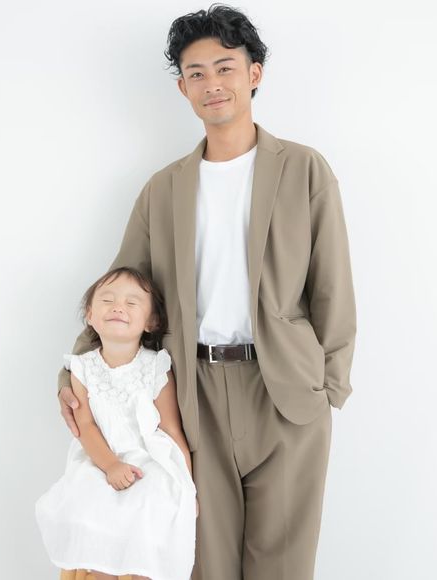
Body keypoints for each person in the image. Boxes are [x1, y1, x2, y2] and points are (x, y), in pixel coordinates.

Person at [57, 4, 356, 580]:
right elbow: (120, 290)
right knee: (201, 561)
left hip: (286, 392)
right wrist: (74, 375)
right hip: (191, 396)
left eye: (225, 67)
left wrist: (329, 390)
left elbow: (333, 288)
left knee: (284, 565)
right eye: (196, 73)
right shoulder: (163, 189)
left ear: (254, 73)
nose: (212, 83)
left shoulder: (303, 169)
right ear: (183, 87)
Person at [36, 267, 197, 580]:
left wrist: (188, 489)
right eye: (107, 300)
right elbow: (85, 426)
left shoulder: (156, 365)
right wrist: (110, 465)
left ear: (151, 322)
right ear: (90, 316)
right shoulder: (82, 367)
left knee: (153, 504)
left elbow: (170, 429)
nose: (118, 307)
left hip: (149, 459)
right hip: (100, 457)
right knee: (90, 503)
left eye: (132, 303)